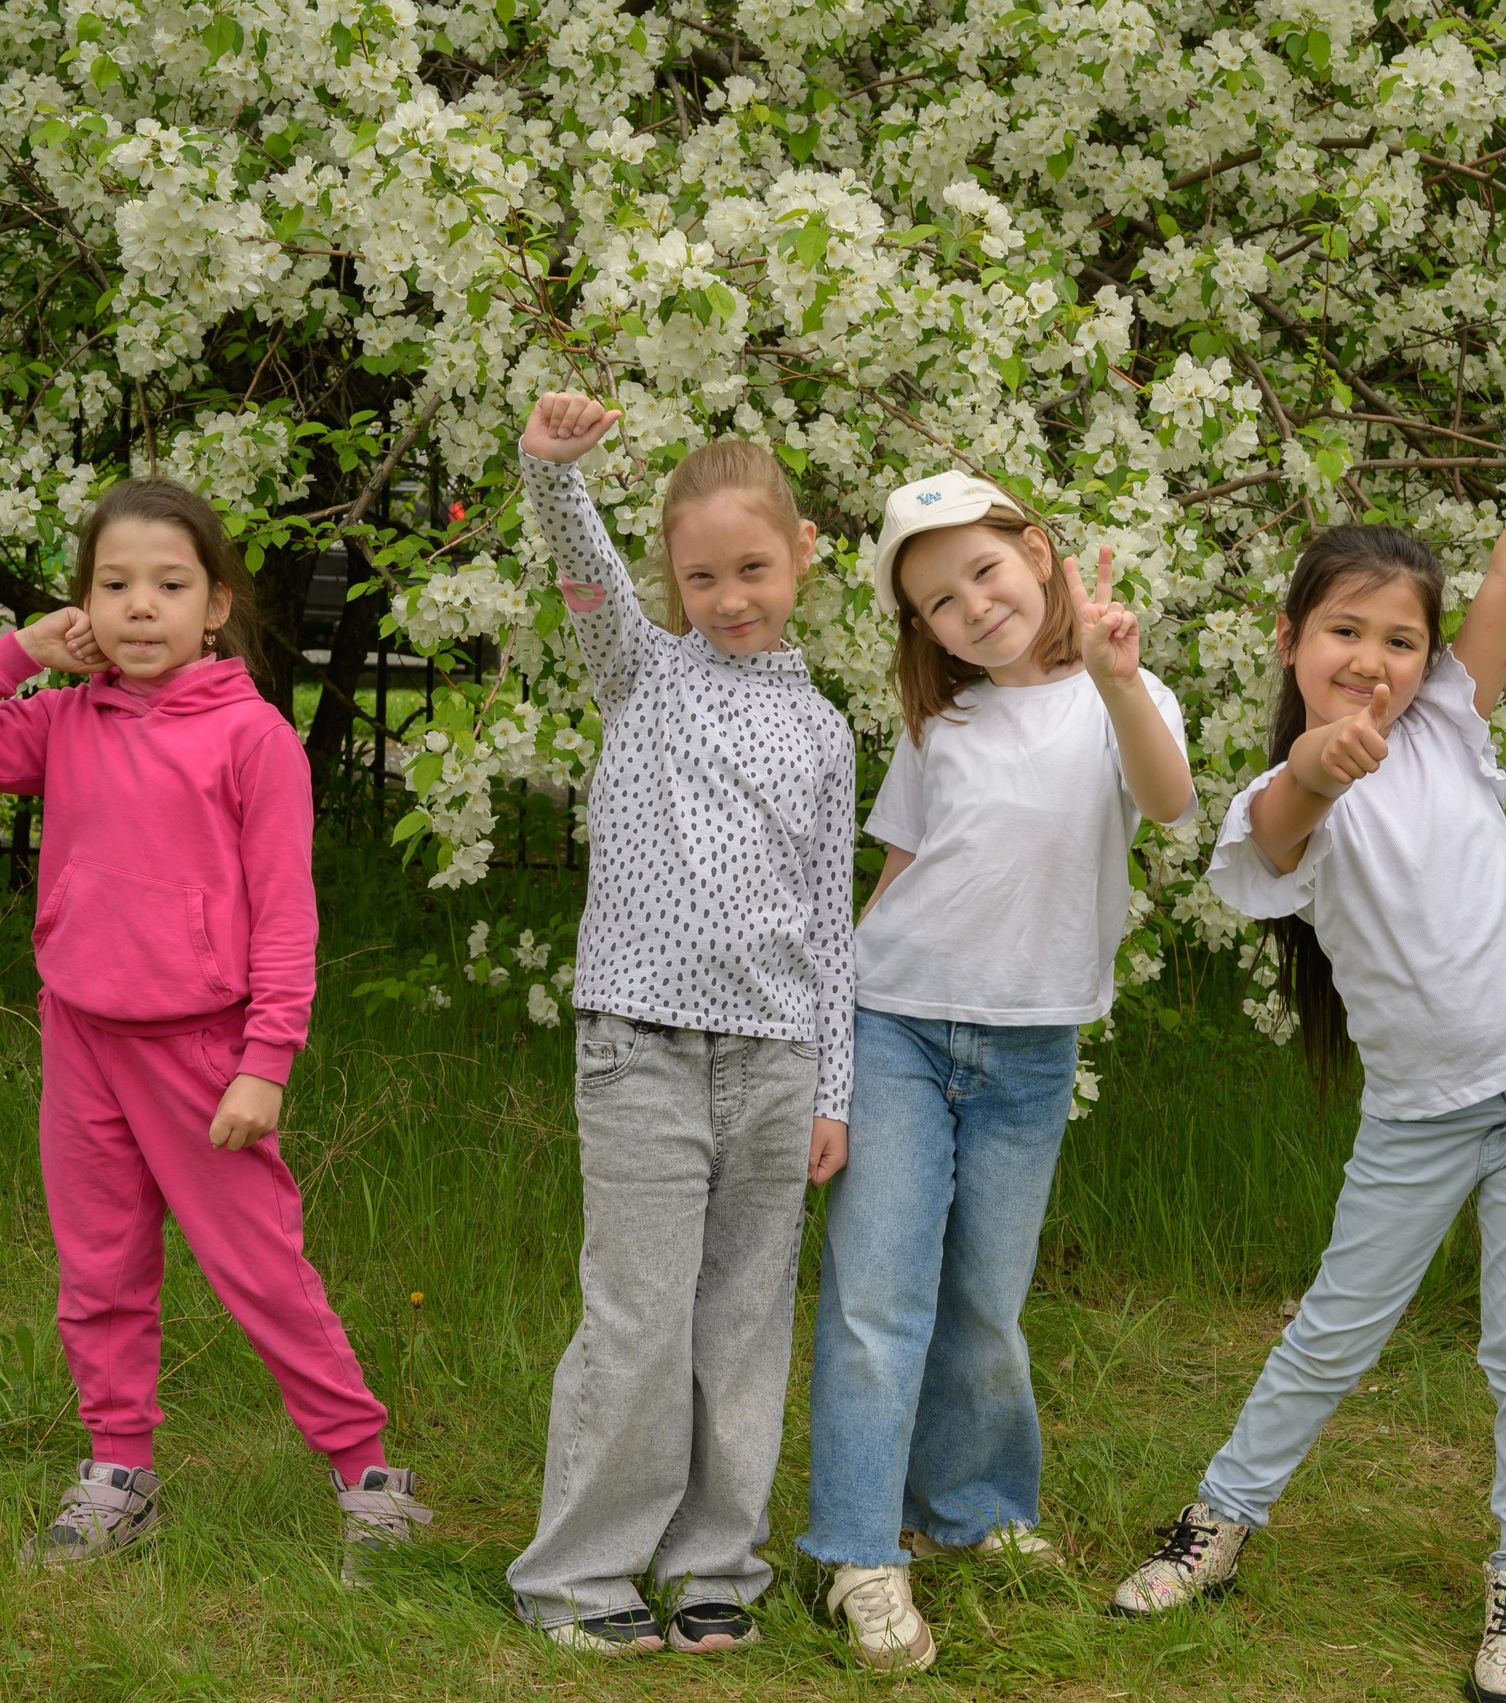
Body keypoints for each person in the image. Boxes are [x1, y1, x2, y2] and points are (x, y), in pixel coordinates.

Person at [1106, 298, 1506, 1703]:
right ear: (1291, 638)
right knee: (1335, 1328)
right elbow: (1277, 828)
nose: (1375, 661)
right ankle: (1217, 1520)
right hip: (1419, 1114)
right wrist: (1323, 769)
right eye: (1347, 632)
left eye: (1400, 639)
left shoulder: (1452, 723)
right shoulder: (1284, 799)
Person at [0, 478, 431, 1585]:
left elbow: (286, 918)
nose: (141, 607)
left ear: (217, 603)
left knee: (261, 1271)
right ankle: (118, 1473)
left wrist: (264, 1064)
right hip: (81, 1038)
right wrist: (20, 653)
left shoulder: (254, 739)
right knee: (99, 1270)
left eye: (169, 585)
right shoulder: (61, 722)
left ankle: (369, 1478)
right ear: (83, 603)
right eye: (114, 584)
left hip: (205, 1056)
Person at [801, 477, 1196, 1671]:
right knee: (879, 1295)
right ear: (920, 630)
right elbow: (893, 883)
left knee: (983, 1299)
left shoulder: (1121, 696)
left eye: (985, 572)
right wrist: (830, 1057)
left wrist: (1122, 675)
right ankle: (860, 1549)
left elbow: (1169, 803)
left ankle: (970, 1508)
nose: (973, 606)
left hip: (1032, 1046)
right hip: (898, 1027)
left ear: (1037, 552)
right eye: (937, 601)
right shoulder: (941, 727)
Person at [504, 393, 856, 1656]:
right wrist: (550, 471)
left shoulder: (822, 730)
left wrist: (835, 1088)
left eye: (751, 568)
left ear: (802, 553)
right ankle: (580, 1576)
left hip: (773, 1063)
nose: (727, 596)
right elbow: (585, 570)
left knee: (744, 1323)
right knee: (639, 1318)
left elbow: (829, 920)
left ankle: (716, 1563)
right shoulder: (641, 672)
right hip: (641, 1050)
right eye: (698, 574)